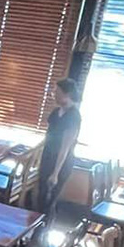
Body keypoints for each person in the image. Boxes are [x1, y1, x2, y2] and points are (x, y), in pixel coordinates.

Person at [35, 77, 81, 213]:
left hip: (61, 162)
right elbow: (48, 137)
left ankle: (45, 224)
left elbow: (65, 147)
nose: (54, 94)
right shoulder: (56, 112)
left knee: (49, 201)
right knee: (40, 197)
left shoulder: (74, 116)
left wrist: (55, 173)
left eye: (57, 92)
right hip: (47, 157)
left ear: (67, 94)